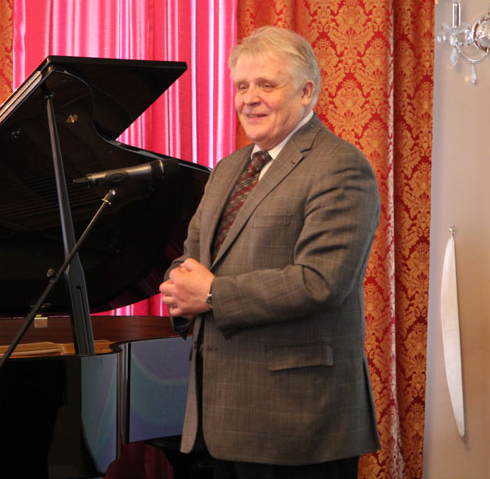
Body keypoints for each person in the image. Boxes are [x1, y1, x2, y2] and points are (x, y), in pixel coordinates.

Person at [159, 26, 381, 478]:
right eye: (242, 86)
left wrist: (212, 294)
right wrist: (180, 288)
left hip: (297, 422)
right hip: (217, 417)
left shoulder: (340, 165)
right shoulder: (228, 168)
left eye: (266, 85)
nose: (250, 99)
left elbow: (320, 282)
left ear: (306, 92)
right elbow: (190, 258)